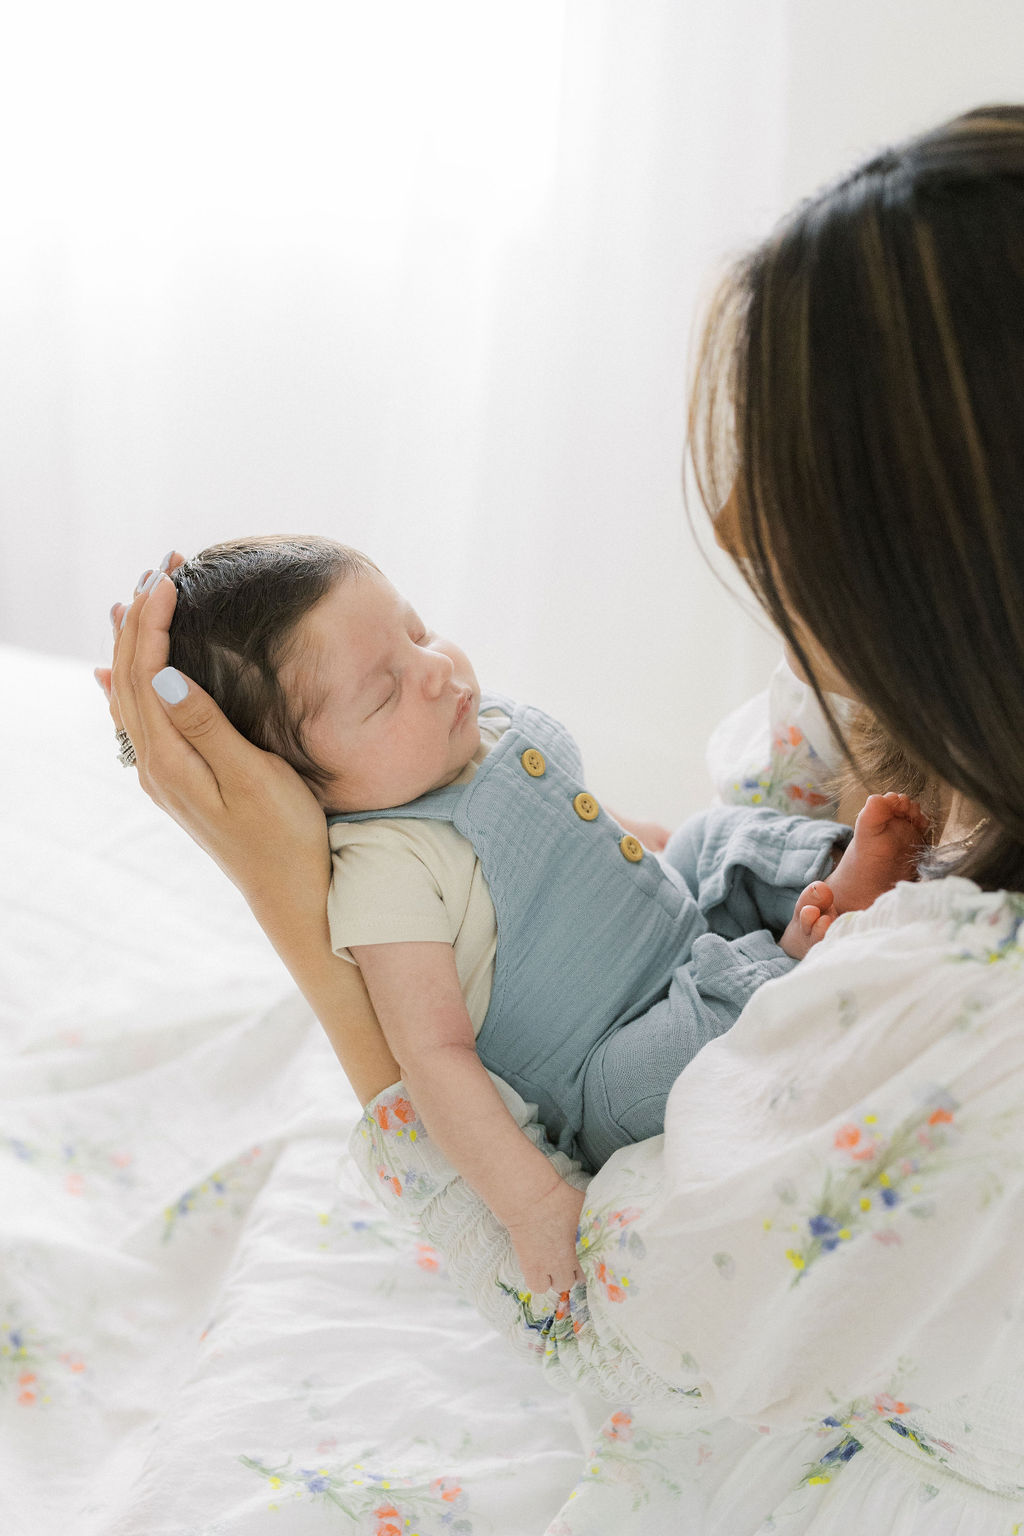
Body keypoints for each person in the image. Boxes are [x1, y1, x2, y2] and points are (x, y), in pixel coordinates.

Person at [99, 104, 1024, 1531]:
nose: (737, 531)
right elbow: (453, 1046)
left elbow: (610, 1327)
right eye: (376, 683)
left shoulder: (954, 1033)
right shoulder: (902, 728)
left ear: (940, 573)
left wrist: (287, 899)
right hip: (638, 1026)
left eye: (781, 509)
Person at [154, 534, 925, 1293]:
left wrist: (661, 852)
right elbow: (434, 1058)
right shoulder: (387, 868)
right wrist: (531, 1205)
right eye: (384, 692)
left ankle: (821, 873)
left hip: (668, 925)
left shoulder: (485, 730)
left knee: (707, 837)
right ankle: (798, 943)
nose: (434, 670)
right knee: (681, 1063)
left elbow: (589, 824)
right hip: (608, 1061)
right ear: (297, 786)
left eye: (417, 632)